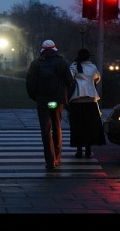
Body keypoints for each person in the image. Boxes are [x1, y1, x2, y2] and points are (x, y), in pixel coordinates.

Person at [26, 39, 73, 170]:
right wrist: (65, 96)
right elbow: (70, 81)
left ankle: (49, 161)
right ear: (54, 49)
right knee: (57, 127)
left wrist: (35, 97)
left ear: (42, 50)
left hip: (43, 101)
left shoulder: (36, 63)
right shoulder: (62, 62)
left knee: (45, 130)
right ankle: (57, 157)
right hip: (57, 101)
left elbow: (29, 82)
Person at [68, 48, 106, 158]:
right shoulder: (93, 67)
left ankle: (79, 150)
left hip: (76, 100)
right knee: (89, 126)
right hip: (90, 100)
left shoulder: (74, 67)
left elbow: (69, 79)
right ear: (88, 57)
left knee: (77, 126)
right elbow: (97, 78)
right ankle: (88, 148)